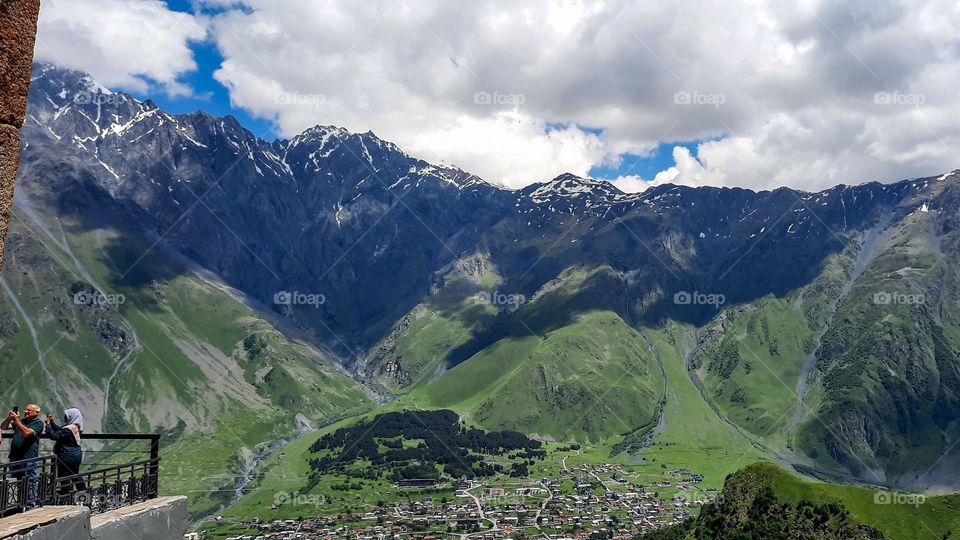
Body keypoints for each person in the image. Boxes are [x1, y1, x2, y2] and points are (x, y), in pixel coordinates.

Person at [1, 404, 44, 507]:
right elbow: (3, 427)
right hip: (15, 456)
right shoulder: (22, 421)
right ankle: (18, 503)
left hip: (29, 458)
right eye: (25, 410)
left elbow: (26, 432)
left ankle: (30, 504)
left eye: (29, 410)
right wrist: (10, 418)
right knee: (16, 481)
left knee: (30, 481)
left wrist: (16, 420)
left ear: (36, 413)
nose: (26, 412)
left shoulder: (38, 423)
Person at [44, 408, 85, 498]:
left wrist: (48, 426)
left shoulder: (68, 429)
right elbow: (60, 431)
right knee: (74, 474)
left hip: (66, 456)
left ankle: (65, 496)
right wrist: (52, 423)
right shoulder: (74, 427)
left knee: (64, 476)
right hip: (75, 455)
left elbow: (55, 436)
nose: (65, 418)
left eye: (66, 417)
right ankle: (83, 493)